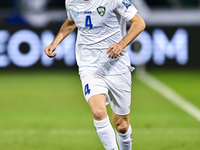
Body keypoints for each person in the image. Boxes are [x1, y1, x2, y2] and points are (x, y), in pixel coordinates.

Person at [44, 0, 145, 149]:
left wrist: (120, 45)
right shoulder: (71, 2)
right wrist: (54, 43)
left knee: (122, 126)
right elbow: (72, 22)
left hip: (117, 65)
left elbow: (139, 23)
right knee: (98, 112)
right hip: (89, 66)